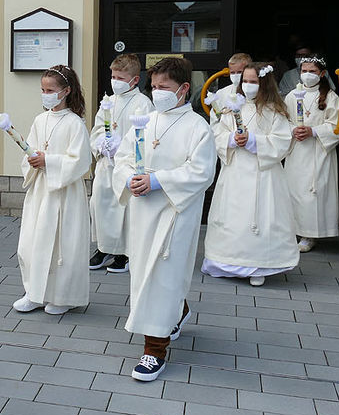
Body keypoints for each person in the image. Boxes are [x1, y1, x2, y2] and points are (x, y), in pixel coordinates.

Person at [112, 56, 215, 382]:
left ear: (184, 88)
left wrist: (158, 181)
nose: (157, 93)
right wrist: (129, 178)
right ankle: (178, 311)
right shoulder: (145, 120)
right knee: (146, 273)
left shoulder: (197, 127)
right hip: (143, 213)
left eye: (164, 87)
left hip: (174, 214)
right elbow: (125, 159)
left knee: (162, 274)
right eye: (154, 87)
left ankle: (155, 349)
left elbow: (201, 171)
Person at [202, 62, 299, 287]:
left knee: (258, 217)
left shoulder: (274, 110)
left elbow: (282, 140)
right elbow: (217, 133)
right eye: (245, 81)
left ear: (263, 83)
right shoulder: (231, 106)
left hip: (262, 173)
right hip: (235, 170)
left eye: (253, 82)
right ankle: (225, 261)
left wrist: (254, 141)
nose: (247, 86)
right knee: (232, 214)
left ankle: (258, 264)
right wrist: (231, 140)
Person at [14, 64, 92, 316]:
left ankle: (62, 296)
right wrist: (32, 159)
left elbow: (80, 161)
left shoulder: (74, 123)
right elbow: (31, 149)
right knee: (33, 241)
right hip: (41, 190)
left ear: (66, 91)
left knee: (62, 244)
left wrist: (48, 160)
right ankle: (35, 293)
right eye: (42, 89)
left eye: (50, 90)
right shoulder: (40, 119)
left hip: (64, 193)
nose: (45, 93)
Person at [89, 53, 153, 274]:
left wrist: (123, 147)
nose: (114, 81)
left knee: (123, 208)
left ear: (135, 80)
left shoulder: (143, 104)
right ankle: (103, 247)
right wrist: (102, 144)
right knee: (101, 204)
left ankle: (124, 252)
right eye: (113, 76)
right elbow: (98, 127)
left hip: (127, 167)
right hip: (106, 165)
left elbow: (146, 134)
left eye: (120, 77)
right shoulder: (109, 101)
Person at [283, 56, 339, 252]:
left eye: (313, 71)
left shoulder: (331, 97)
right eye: (304, 71)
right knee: (295, 191)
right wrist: (293, 130)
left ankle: (309, 234)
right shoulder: (292, 96)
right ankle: (293, 231)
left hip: (318, 151)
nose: (307, 75)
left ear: (322, 74)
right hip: (297, 150)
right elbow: (282, 121)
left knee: (312, 193)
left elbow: (336, 126)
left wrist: (313, 131)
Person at [207, 52, 251, 127]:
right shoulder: (221, 93)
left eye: (240, 72)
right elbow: (214, 122)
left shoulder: (255, 92)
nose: (236, 75)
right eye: (232, 72)